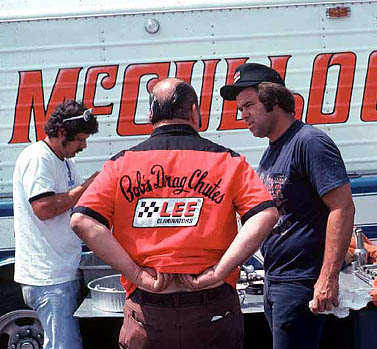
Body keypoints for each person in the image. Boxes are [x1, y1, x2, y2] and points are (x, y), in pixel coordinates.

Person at [70, 78, 279, 349]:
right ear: (194, 112)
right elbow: (265, 214)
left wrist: (136, 274)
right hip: (211, 308)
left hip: (148, 310)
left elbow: (81, 220)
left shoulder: (120, 165)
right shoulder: (228, 162)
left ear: (150, 116)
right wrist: (219, 272)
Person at [220, 63, 355, 349]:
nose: (243, 115)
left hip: (302, 282)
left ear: (273, 100)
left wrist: (327, 278)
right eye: (240, 108)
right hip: (277, 281)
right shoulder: (272, 151)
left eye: (249, 105)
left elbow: (342, 207)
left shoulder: (310, 142)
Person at [13, 100, 99, 349]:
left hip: (62, 271)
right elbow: (44, 208)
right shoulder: (38, 158)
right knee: (64, 345)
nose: (83, 145)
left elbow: (75, 206)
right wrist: (84, 189)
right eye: (80, 139)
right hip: (49, 278)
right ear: (62, 133)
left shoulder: (64, 161)